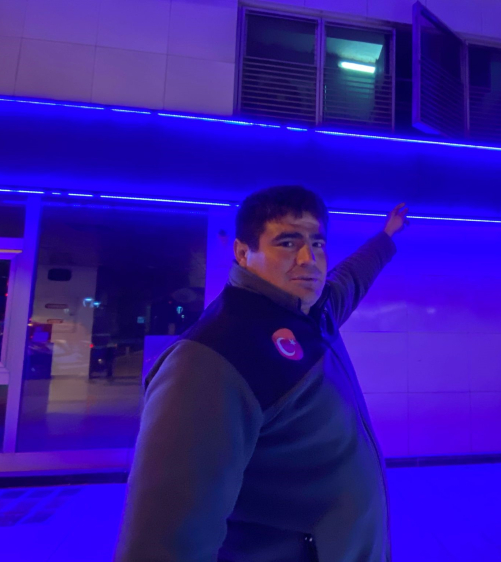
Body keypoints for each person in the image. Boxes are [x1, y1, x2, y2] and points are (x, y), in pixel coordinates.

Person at [115, 185, 409, 562]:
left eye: (317, 244)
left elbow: (352, 277)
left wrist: (386, 237)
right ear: (243, 253)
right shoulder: (211, 356)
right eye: (287, 243)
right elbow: (166, 542)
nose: (308, 259)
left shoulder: (313, 313)